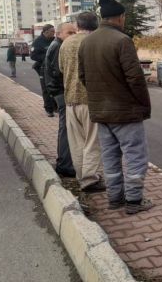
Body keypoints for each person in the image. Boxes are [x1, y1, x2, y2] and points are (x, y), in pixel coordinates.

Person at [79, 0, 152, 215]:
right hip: (125, 112)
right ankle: (134, 201)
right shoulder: (122, 41)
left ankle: (115, 198)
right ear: (120, 18)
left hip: (101, 112)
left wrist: (100, 97)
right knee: (135, 156)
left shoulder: (87, 42)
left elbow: (83, 77)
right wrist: (143, 104)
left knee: (110, 158)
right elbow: (135, 79)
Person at [59, 12, 106, 192]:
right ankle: (90, 179)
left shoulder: (66, 43)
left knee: (77, 143)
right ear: (96, 25)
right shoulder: (94, 42)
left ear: (77, 26)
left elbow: (62, 68)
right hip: (91, 100)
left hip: (70, 99)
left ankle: (81, 177)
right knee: (92, 142)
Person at [45, 23, 77, 178]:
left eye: (74, 32)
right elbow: (60, 72)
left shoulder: (56, 44)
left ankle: (65, 162)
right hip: (61, 92)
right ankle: (65, 164)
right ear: (58, 33)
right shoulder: (59, 46)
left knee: (66, 128)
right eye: (69, 33)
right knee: (66, 129)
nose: (73, 35)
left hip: (58, 91)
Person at [32, 24, 58, 117]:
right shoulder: (38, 42)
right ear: (46, 32)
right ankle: (49, 109)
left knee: (56, 87)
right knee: (46, 89)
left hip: (54, 67)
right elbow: (33, 56)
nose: (53, 33)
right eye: (52, 31)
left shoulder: (54, 40)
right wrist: (46, 58)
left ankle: (56, 106)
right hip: (43, 68)